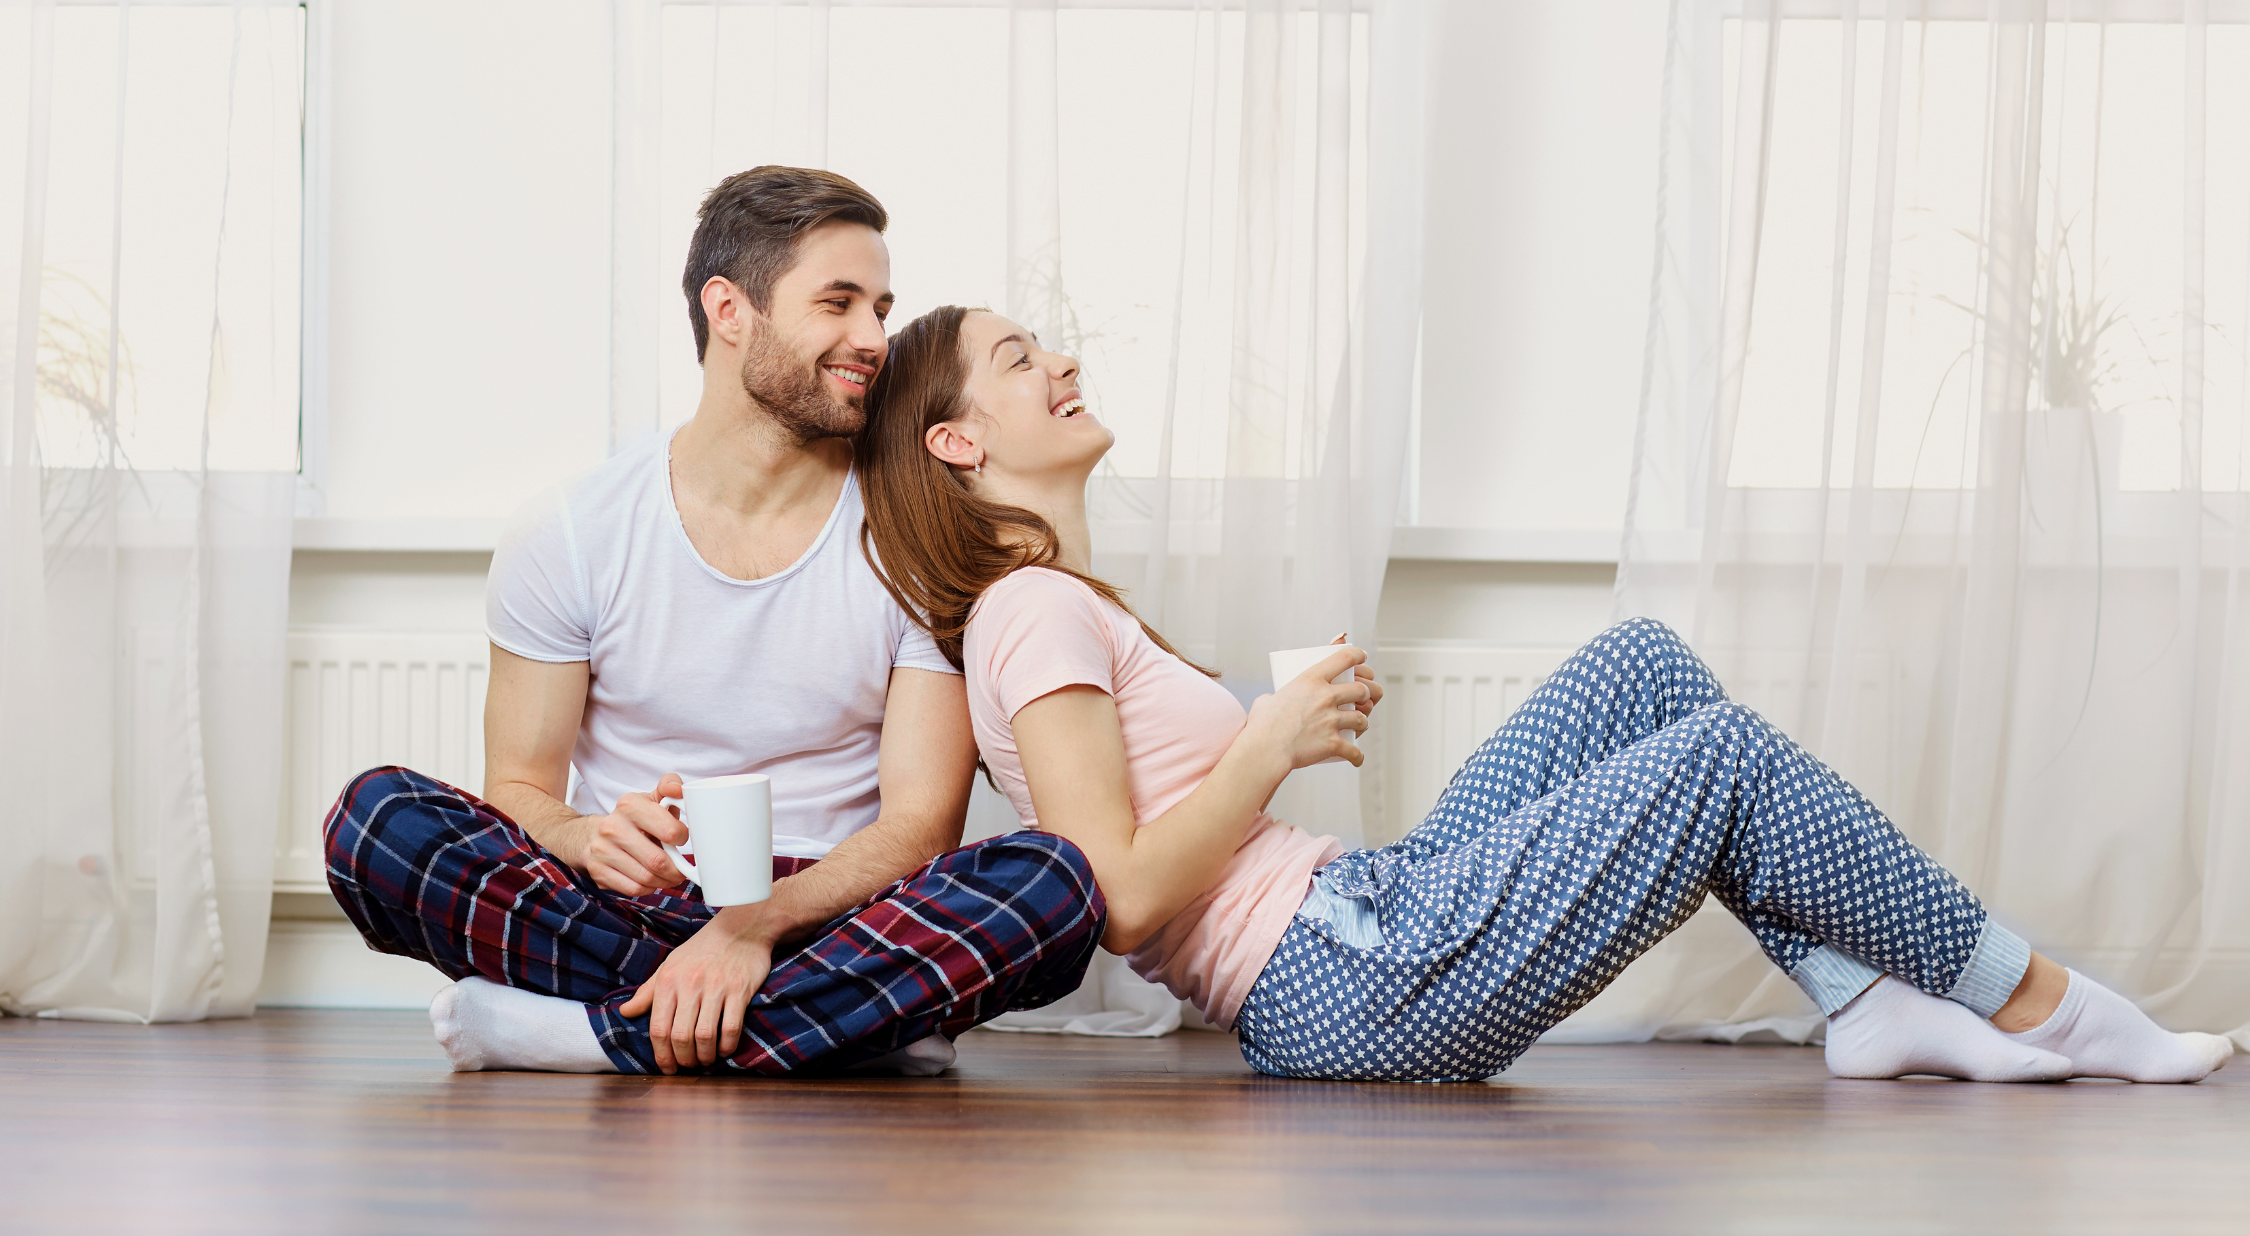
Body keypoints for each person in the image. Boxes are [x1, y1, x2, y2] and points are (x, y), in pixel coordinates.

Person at [854, 303, 2238, 1085]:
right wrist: (1267, 744)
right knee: (1720, 762)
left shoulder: (1062, 604)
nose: (1064, 363)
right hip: (1338, 978)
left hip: (1357, 915)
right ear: (960, 441)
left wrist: (1271, 732)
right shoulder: (1027, 613)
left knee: (1642, 668)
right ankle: (2036, 999)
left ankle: (1859, 999)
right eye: (1023, 360)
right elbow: (1128, 899)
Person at [323, 172, 1104, 1077]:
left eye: (881, 309)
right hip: (629, 907)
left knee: (1054, 882)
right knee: (376, 821)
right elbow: (520, 787)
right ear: (729, 310)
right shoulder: (573, 531)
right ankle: (839, 1030)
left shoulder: (915, 529)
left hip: (835, 914)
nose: (873, 340)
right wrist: (586, 840)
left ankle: (585, 1033)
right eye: (838, 304)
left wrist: (753, 928)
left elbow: (922, 826)